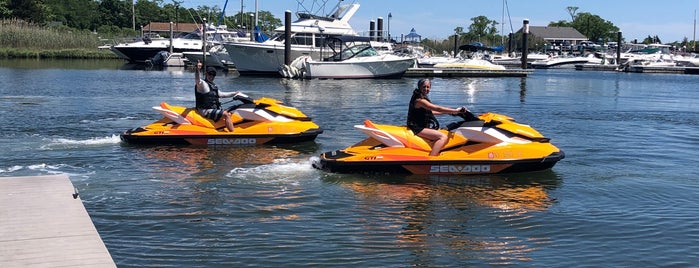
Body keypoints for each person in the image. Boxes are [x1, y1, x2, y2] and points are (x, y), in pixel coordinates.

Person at [407, 78, 466, 156]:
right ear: (419, 87)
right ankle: (432, 158)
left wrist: (450, 112)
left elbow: (431, 112)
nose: (426, 89)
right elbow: (436, 108)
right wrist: (456, 111)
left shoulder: (421, 97)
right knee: (443, 137)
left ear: (430, 88)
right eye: (424, 87)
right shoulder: (419, 100)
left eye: (428, 87)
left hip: (421, 126)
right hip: (417, 127)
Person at [195, 60, 239, 132]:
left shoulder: (213, 85)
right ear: (206, 74)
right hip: (205, 110)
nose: (211, 76)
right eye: (210, 74)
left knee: (231, 112)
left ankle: (222, 128)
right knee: (226, 115)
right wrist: (197, 70)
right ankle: (233, 134)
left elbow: (221, 94)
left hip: (211, 109)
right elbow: (197, 80)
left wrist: (234, 93)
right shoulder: (202, 85)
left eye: (213, 74)